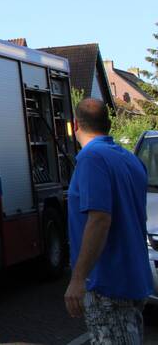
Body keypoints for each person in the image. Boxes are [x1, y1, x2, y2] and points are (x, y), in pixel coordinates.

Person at [64, 98, 151, 343]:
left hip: (108, 285)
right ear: (109, 124)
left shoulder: (91, 159)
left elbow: (100, 218)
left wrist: (78, 278)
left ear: (75, 125)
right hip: (133, 279)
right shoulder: (131, 160)